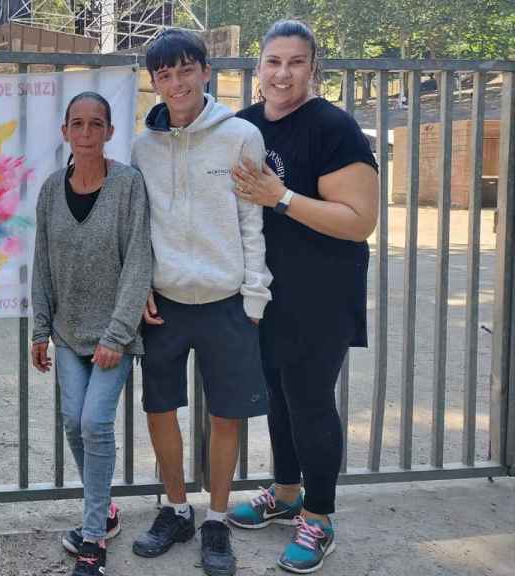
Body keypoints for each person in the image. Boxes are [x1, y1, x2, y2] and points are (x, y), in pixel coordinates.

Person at [227, 20, 378, 574]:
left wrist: (281, 196)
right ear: (258, 67)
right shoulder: (243, 125)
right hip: (263, 293)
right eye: (273, 61)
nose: (282, 73)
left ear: (313, 68)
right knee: (278, 394)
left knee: (310, 401)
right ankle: (286, 492)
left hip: (322, 294)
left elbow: (360, 220)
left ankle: (320, 517)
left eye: (295, 62)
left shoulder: (334, 128)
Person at [130, 29, 272, 576]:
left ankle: (215, 520)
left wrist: (253, 298)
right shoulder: (143, 147)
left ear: (206, 72)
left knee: (226, 414)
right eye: (164, 75)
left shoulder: (239, 136)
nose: (176, 83)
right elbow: (139, 226)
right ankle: (175, 509)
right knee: (159, 408)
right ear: (155, 83)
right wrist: (141, 285)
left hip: (227, 300)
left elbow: (251, 222)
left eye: (185, 70)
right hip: (164, 302)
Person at [31, 92, 152, 576]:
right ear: (64, 131)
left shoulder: (128, 186)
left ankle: (93, 541)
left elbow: (138, 261)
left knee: (95, 423)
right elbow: (42, 262)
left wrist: (118, 335)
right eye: (76, 124)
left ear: (109, 131)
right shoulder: (48, 190)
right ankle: (103, 509)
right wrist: (40, 329)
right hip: (66, 332)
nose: (85, 133)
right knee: (71, 421)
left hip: (112, 335)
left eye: (95, 124)